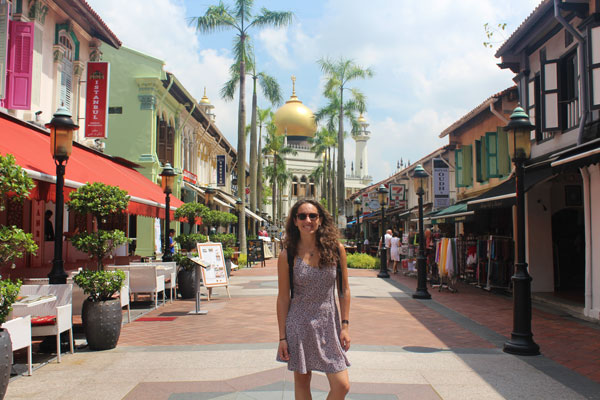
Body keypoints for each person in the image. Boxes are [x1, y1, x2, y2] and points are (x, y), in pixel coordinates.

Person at [276, 199, 351, 399]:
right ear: (294, 221)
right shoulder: (287, 255)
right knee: (302, 384)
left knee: (341, 385)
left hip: (329, 322)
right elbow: (283, 298)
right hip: (299, 322)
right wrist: (282, 337)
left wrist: (345, 325)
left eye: (312, 216)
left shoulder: (336, 249)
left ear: (320, 220)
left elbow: (343, 290)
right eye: (302, 216)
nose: (307, 220)